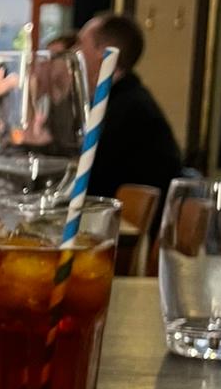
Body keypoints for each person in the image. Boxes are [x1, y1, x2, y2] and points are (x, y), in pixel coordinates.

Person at [77, 12, 183, 232]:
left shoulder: (128, 108)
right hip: (108, 226)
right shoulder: (118, 99)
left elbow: (90, 181)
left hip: (127, 239)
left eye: (81, 45)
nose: (75, 53)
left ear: (103, 53)